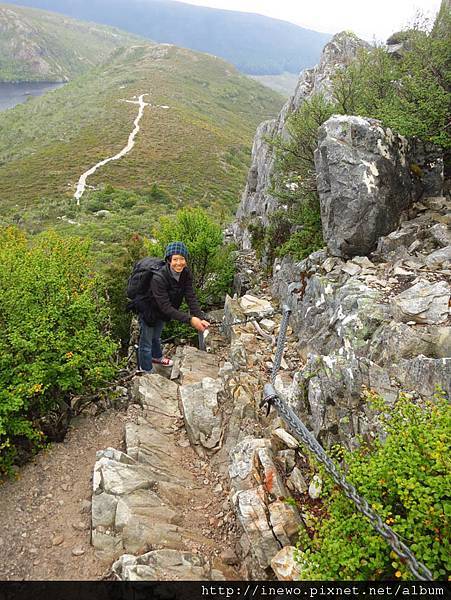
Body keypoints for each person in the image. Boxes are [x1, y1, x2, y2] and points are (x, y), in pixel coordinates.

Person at [137, 241, 210, 373]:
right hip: (148, 309)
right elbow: (166, 307)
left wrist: (199, 317)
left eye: (182, 259)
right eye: (175, 259)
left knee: (156, 337)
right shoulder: (158, 278)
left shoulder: (185, 273)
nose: (179, 263)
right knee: (146, 342)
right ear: (169, 260)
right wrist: (190, 320)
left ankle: (157, 358)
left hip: (162, 311)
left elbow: (190, 296)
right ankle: (146, 370)